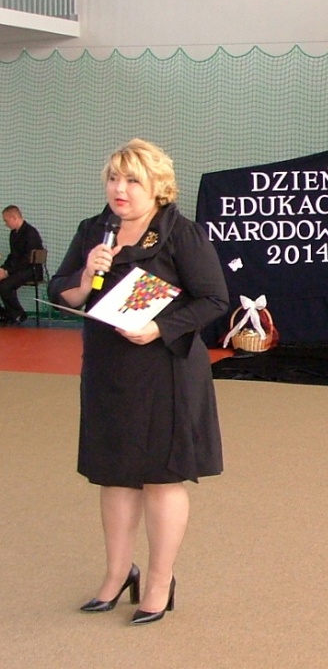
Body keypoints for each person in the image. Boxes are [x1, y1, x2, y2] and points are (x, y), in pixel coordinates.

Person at [49, 139, 229, 626]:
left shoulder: (181, 234)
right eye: (114, 178)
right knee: (114, 474)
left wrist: (159, 327)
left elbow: (214, 299)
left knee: (160, 477)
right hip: (108, 368)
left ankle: (158, 581)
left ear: (158, 186)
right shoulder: (93, 230)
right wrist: (85, 276)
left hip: (164, 368)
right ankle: (116, 574)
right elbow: (63, 292)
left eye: (132, 180)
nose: (120, 189)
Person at [0, 205, 45, 325]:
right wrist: (3, 268)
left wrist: (7, 272)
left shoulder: (31, 233)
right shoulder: (13, 234)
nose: (5, 224)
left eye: (6, 221)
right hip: (19, 269)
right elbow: (13, 256)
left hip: (32, 270)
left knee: (5, 286)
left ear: (14, 218)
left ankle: (18, 315)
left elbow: (27, 260)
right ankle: (6, 314)